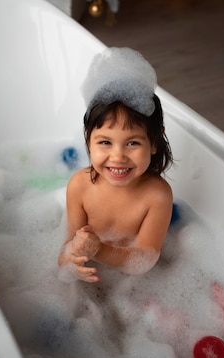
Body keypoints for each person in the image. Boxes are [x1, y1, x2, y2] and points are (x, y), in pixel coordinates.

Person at [58, 47, 174, 283]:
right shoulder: (80, 186)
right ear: (88, 139)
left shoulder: (157, 195)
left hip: (132, 282)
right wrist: (71, 258)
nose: (118, 156)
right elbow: (65, 252)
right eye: (105, 142)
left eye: (132, 142)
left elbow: (144, 261)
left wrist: (98, 249)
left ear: (154, 142)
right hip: (90, 276)